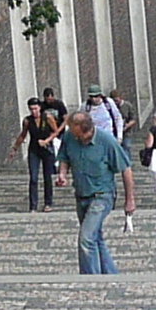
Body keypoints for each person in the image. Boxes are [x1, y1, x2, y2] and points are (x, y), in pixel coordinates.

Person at [57, 105, 135, 274]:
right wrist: (62, 174)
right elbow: (64, 157)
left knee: (86, 238)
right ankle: (110, 274)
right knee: (95, 237)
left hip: (102, 195)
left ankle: (90, 279)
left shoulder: (107, 141)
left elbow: (126, 169)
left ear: (85, 129)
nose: (73, 135)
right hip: (81, 194)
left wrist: (130, 201)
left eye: (75, 132)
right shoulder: (70, 137)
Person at [11, 87, 63, 211]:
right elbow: (23, 134)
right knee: (33, 177)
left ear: (40, 108)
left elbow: (55, 132)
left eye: (35, 108)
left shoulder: (48, 117)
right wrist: (14, 148)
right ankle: (33, 205)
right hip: (34, 149)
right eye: (31, 109)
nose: (34, 111)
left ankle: (48, 203)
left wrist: (47, 141)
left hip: (47, 149)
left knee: (47, 177)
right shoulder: (28, 121)